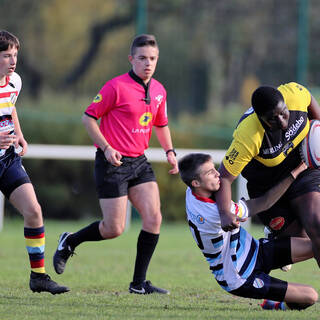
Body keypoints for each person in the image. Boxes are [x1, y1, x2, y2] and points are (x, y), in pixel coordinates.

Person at [53, 34, 178, 294]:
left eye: (152, 59)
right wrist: (107, 148)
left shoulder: (159, 90)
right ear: (131, 59)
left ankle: (138, 284)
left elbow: (161, 124)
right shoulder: (115, 87)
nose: (148, 63)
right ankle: (69, 242)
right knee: (114, 229)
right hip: (112, 163)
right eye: (142, 58)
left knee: (154, 218)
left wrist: (170, 151)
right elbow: (89, 118)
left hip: (140, 162)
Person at [178, 153, 318, 310]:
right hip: (239, 276)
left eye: (214, 169)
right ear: (196, 182)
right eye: (210, 172)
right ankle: (275, 306)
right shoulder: (215, 214)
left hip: (256, 251)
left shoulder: (191, 192)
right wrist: (295, 172)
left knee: (316, 245)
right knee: (310, 296)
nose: (218, 174)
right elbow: (265, 202)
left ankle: (274, 238)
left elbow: (219, 189)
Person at [215, 83, 320, 267]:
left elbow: (310, 100)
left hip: (301, 169)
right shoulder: (249, 134)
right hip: (268, 188)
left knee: (316, 226)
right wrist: (224, 212)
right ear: (260, 118)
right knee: (302, 241)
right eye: (272, 119)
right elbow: (224, 177)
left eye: (283, 113)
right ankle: (276, 237)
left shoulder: (295, 95)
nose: (282, 122)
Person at [0, 30, 69, 294]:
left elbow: (11, 106)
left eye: (15, 55)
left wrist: (19, 134)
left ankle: (38, 277)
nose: (13, 60)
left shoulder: (15, 81)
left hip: (7, 159)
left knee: (34, 211)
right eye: (6, 55)